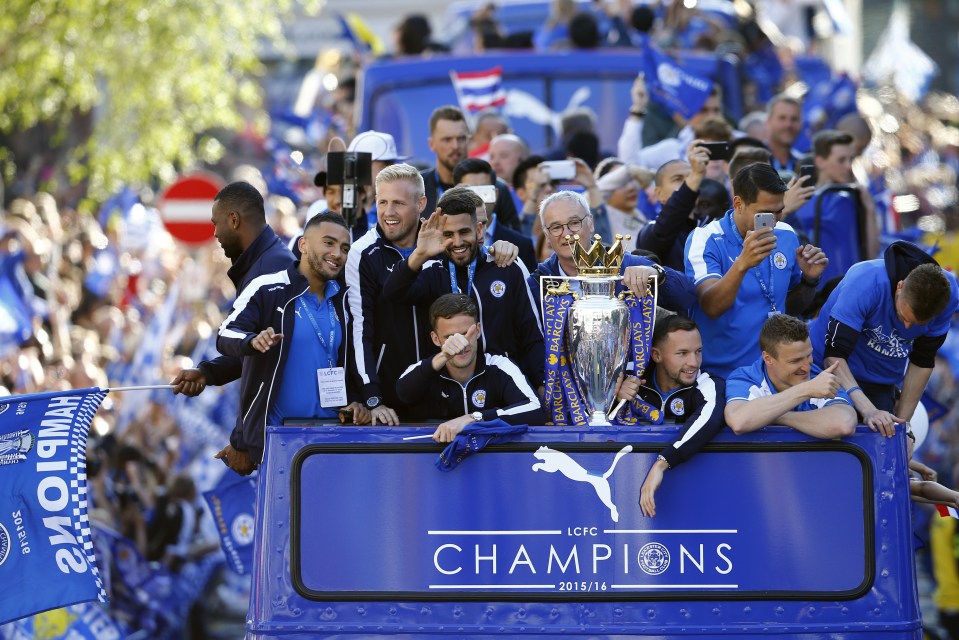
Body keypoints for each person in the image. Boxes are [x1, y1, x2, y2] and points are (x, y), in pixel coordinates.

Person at [215, 213, 369, 468]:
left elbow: (353, 363)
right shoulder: (267, 287)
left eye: (344, 248)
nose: (337, 254)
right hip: (281, 440)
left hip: (334, 439)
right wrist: (252, 341)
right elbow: (226, 333)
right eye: (328, 243)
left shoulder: (346, 300)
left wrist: (356, 401)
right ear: (303, 245)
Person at [170, 181, 295, 475]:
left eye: (216, 225)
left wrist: (242, 441)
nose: (214, 234)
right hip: (279, 432)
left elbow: (269, 363)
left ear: (234, 220)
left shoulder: (270, 269)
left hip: (283, 431)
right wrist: (208, 372)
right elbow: (254, 349)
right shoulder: (262, 263)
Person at [382, 187, 544, 390]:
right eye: (448, 234)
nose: (457, 242)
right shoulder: (431, 269)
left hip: (502, 387)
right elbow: (392, 293)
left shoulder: (507, 266)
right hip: (447, 389)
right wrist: (419, 254)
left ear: (478, 230)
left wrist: (542, 384)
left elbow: (532, 334)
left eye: (464, 232)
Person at [684, 162, 828, 377]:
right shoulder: (705, 239)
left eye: (779, 211)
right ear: (739, 204)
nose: (773, 221)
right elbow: (711, 307)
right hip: (722, 374)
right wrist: (742, 263)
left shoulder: (786, 234)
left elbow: (789, 307)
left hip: (775, 372)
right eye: (765, 214)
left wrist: (809, 280)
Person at [810, 240, 958, 437]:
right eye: (903, 317)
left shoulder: (948, 295)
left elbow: (922, 362)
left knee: (887, 445)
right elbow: (834, 356)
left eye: (917, 324)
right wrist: (868, 410)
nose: (906, 328)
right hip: (824, 370)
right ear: (899, 286)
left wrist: (903, 428)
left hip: (879, 382)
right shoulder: (865, 281)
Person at [346, 163, 438, 426]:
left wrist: (498, 249)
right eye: (383, 202)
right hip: (388, 402)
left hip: (441, 396)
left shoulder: (440, 244)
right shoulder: (362, 252)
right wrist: (372, 396)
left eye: (398, 203)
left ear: (421, 203)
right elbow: (360, 330)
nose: (388, 212)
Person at [395, 293, 545, 442]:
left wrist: (475, 418)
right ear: (435, 338)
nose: (461, 344)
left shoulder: (499, 365)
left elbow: (536, 410)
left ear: (478, 330)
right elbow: (403, 393)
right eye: (450, 337)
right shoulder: (426, 369)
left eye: (466, 333)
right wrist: (444, 356)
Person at [617, 315, 726, 518]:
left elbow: (710, 419)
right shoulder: (630, 378)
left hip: (693, 501)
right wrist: (614, 398)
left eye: (698, 352)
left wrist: (662, 463)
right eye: (682, 353)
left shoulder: (707, 383)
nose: (693, 362)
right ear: (656, 355)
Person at [529, 190, 696, 314]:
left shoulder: (624, 264)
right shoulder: (537, 284)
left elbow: (688, 296)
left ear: (591, 223)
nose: (566, 234)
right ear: (547, 236)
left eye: (574, 223)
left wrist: (658, 275)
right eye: (557, 227)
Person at [724, 314, 856, 438]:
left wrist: (774, 416)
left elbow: (843, 424)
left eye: (809, 355)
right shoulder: (746, 378)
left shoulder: (821, 378)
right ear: (768, 358)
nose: (807, 367)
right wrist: (806, 390)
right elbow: (739, 421)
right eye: (795, 361)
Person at [787, 129, 879, 285]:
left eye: (851, 159)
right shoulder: (798, 198)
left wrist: (869, 210)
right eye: (841, 160)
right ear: (820, 161)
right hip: (813, 287)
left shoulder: (852, 198)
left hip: (848, 285)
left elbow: (870, 252)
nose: (848, 166)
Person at [635, 141, 710, 272]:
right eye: (678, 179)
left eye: (691, 177)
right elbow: (671, 219)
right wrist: (696, 175)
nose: (689, 183)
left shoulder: (712, 225)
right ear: (659, 193)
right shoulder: (649, 231)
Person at [454, 158, 536, 270]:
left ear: (496, 194)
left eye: (484, 191)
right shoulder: (444, 242)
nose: (477, 197)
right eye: (470, 191)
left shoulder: (522, 245)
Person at [421, 105, 470, 215]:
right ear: (431, 144)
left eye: (461, 138)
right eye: (447, 140)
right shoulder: (415, 188)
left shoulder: (492, 186)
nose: (455, 146)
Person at [764, 94, 804, 176]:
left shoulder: (805, 164)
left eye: (794, 119)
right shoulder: (753, 162)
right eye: (782, 118)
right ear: (768, 122)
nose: (788, 125)